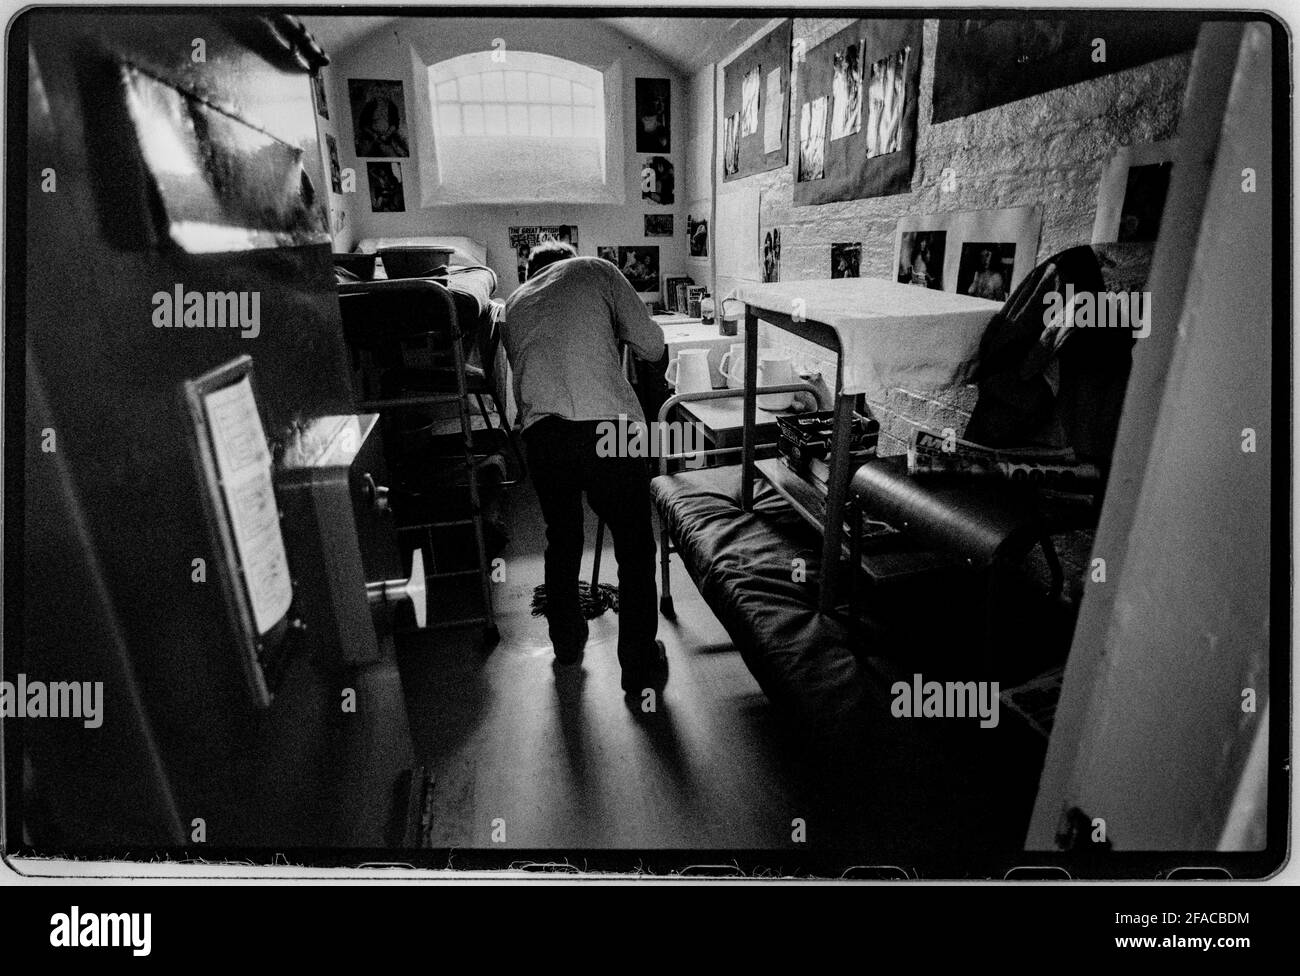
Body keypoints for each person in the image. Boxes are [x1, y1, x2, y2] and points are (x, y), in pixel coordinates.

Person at [501, 242, 669, 696]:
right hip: (609, 431)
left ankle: (568, 644)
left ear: (534, 272)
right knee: (634, 546)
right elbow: (653, 346)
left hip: (543, 437)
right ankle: (636, 669)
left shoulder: (513, 304)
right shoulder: (594, 269)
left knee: (563, 538)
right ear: (566, 261)